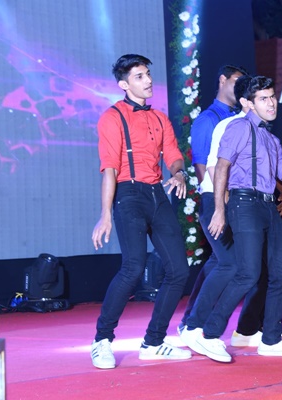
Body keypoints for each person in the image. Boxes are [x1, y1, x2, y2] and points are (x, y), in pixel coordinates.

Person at [189, 76, 282, 363]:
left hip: (267, 206)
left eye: (272, 96)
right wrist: (219, 210)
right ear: (247, 103)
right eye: (264, 98)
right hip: (243, 203)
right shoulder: (239, 127)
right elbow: (221, 167)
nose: (271, 103)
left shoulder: (272, 139)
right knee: (248, 273)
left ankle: (270, 340)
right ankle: (209, 334)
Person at [90, 54, 192, 369]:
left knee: (179, 271)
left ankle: (154, 342)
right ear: (124, 85)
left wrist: (179, 173)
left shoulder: (160, 118)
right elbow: (109, 168)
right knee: (133, 267)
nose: (148, 80)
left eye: (147, 74)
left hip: (157, 194)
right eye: (139, 76)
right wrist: (105, 214)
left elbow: (173, 154)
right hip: (128, 193)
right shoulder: (112, 117)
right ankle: (102, 340)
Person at [180, 65, 247, 331]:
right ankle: (192, 322)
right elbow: (201, 165)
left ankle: (192, 320)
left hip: (236, 198)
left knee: (219, 262)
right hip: (217, 199)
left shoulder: (239, 117)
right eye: (236, 81)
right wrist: (218, 200)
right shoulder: (208, 119)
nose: (240, 87)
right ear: (222, 80)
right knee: (227, 263)